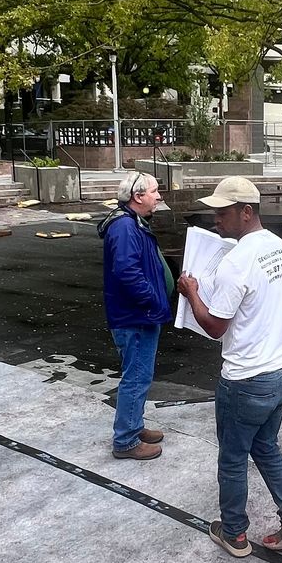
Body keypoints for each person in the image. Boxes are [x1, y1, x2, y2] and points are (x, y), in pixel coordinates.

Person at [176, 176, 282, 557]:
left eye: (223, 213)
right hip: (281, 370)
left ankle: (234, 532)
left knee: (233, 458)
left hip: (246, 379)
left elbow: (215, 327)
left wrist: (191, 293)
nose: (216, 219)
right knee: (266, 448)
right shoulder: (277, 246)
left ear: (247, 212)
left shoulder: (236, 261)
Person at [99, 169, 173, 461]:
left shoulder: (129, 223)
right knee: (137, 377)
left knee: (140, 375)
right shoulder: (125, 228)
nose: (159, 196)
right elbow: (127, 272)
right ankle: (126, 440)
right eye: (154, 191)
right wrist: (153, 300)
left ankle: (134, 425)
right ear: (138, 196)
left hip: (140, 315)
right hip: (137, 316)